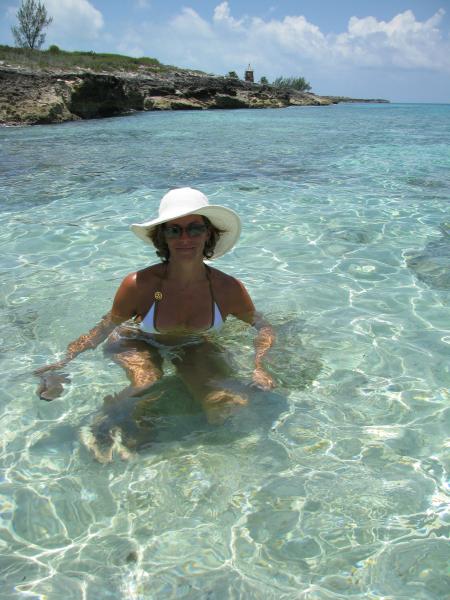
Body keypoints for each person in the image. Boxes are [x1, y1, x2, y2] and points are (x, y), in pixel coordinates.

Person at [36, 188, 275, 457]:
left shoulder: (226, 288)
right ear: (163, 237)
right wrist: (61, 364)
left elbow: (263, 326)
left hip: (193, 345)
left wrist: (259, 367)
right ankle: (103, 421)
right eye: (174, 230)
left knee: (224, 404)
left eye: (194, 229)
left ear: (209, 233)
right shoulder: (141, 285)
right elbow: (105, 327)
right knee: (146, 381)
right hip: (137, 341)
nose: (185, 238)